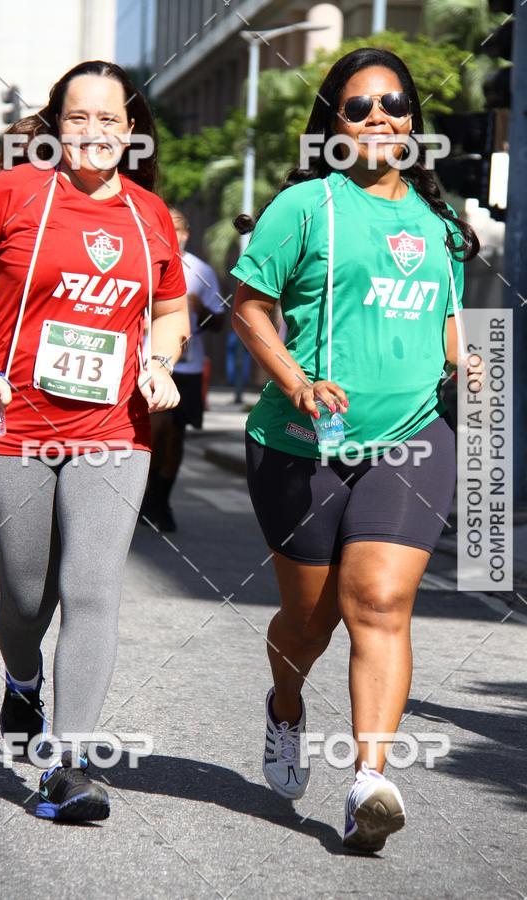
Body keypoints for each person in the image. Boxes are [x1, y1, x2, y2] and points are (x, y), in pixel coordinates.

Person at [231, 48, 484, 853]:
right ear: (333, 124)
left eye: (395, 104)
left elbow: (443, 317)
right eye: (359, 106)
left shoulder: (439, 224)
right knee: (308, 624)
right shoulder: (305, 206)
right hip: (301, 444)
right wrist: (298, 381)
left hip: (410, 439)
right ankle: (285, 709)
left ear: (414, 121)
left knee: (378, 600)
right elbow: (246, 306)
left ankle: (370, 780)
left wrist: (464, 358)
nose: (380, 117)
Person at [0, 60, 189, 823]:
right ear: (56, 125)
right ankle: (21, 682)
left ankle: (69, 765)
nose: (95, 134)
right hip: (18, 426)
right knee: (23, 595)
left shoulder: (150, 215)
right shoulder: (16, 193)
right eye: (79, 119)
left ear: (132, 129)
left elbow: (171, 310)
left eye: (111, 120)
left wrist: (162, 361)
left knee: (92, 590)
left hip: (115, 432)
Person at [140, 207, 224, 531]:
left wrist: (200, 308)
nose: (177, 234)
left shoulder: (201, 271)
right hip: (150, 362)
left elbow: (218, 321)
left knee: (175, 437)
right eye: (170, 227)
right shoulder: (147, 260)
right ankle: (145, 498)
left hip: (186, 367)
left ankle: (160, 500)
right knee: (154, 433)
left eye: (182, 228)